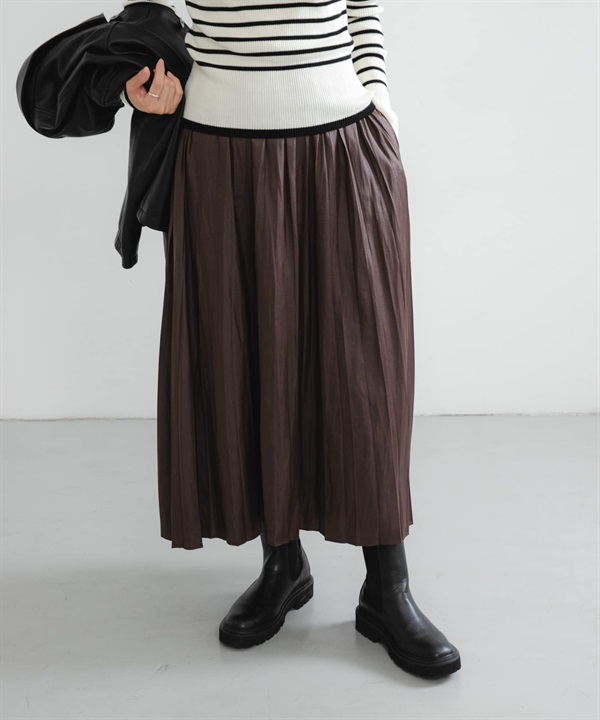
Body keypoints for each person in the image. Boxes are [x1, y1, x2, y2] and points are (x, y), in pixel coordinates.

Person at [121, 0, 461, 678]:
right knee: (245, 360)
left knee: (365, 374)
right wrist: (137, 80)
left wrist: (381, 103)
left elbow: (363, 8)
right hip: (217, 151)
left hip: (342, 142)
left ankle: (386, 585)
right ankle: (282, 563)